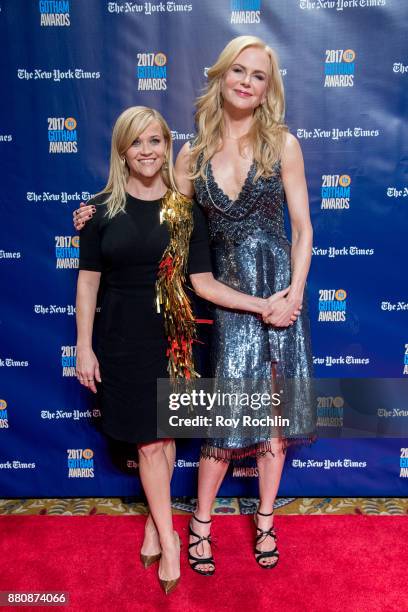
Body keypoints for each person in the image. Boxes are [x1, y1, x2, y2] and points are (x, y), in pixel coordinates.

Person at [75, 105, 300, 594]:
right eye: (137, 142)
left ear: (166, 147)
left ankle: (157, 522)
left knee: (165, 436)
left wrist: (263, 305)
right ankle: (172, 537)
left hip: (173, 338)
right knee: (148, 442)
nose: (148, 151)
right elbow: (88, 284)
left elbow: (202, 281)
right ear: (122, 149)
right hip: (120, 337)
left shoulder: (183, 211)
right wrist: (83, 345)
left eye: (156, 141)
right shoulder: (97, 210)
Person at [173, 35, 316, 573]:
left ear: (267, 89)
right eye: (239, 70)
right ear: (220, 74)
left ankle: (265, 522)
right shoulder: (191, 155)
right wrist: (97, 212)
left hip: (282, 293)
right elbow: (166, 223)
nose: (246, 82)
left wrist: (295, 295)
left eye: (259, 76)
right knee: (226, 419)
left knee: (274, 420)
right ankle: (201, 523)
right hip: (231, 299)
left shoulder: (284, 144)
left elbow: (302, 230)